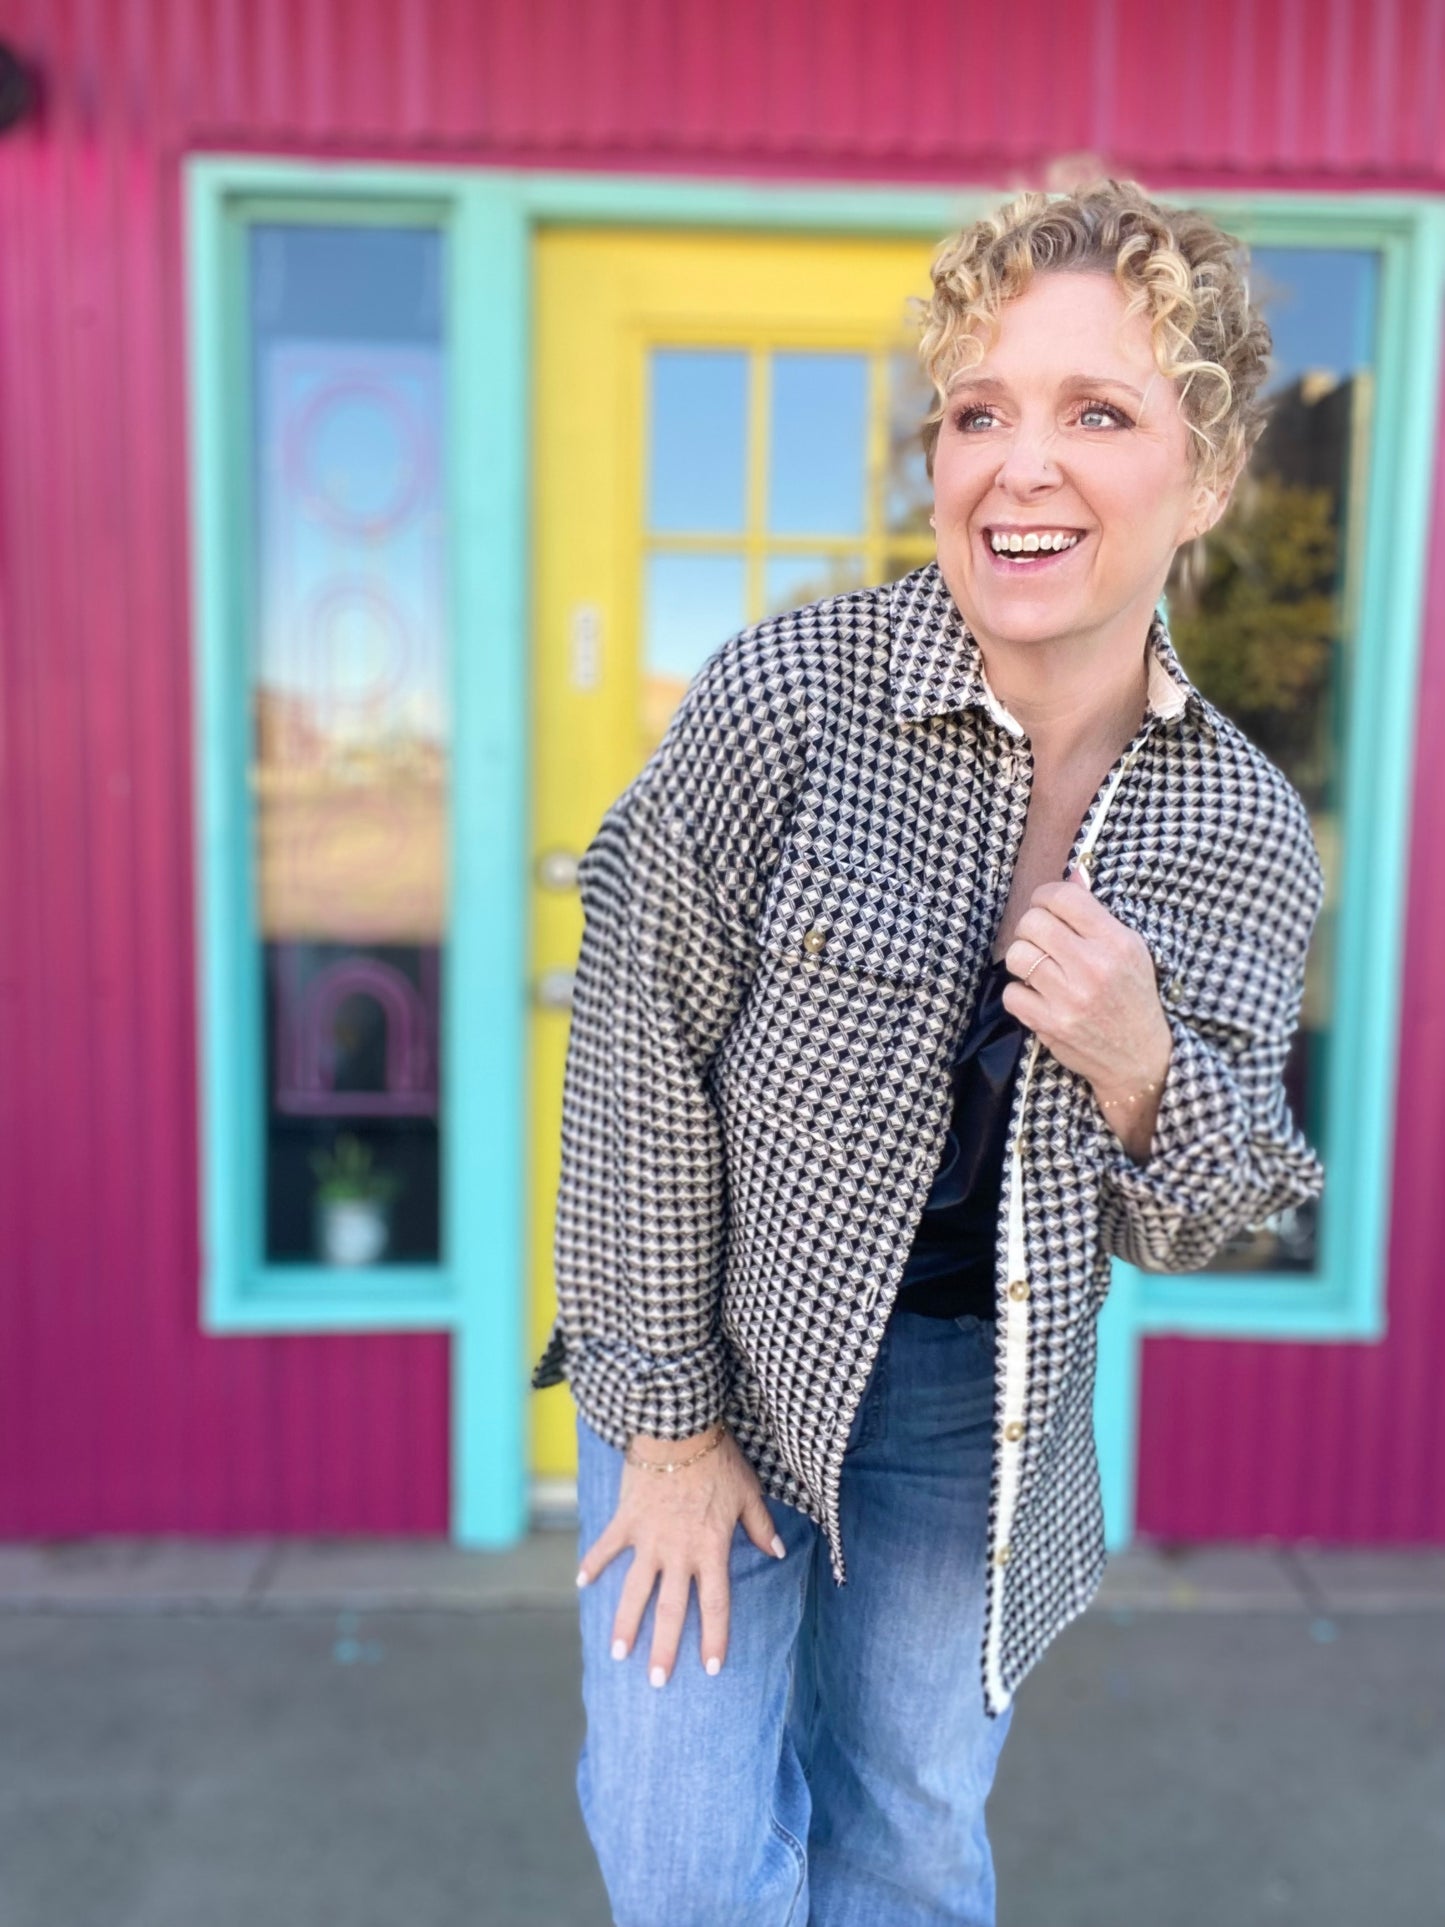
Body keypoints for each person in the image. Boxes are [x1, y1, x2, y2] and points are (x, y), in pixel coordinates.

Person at [531, 179, 1326, 1927]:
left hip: (972, 1408)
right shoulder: (789, 696)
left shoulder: (1242, 833)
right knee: (681, 1860)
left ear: (1198, 479)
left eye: (1095, 412)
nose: (1014, 465)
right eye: (979, 412)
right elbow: (637, 1054)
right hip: (713, 1354)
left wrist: (1135, 1059)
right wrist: (665, 1430)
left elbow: (1216, 1211)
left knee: (900, 1840)